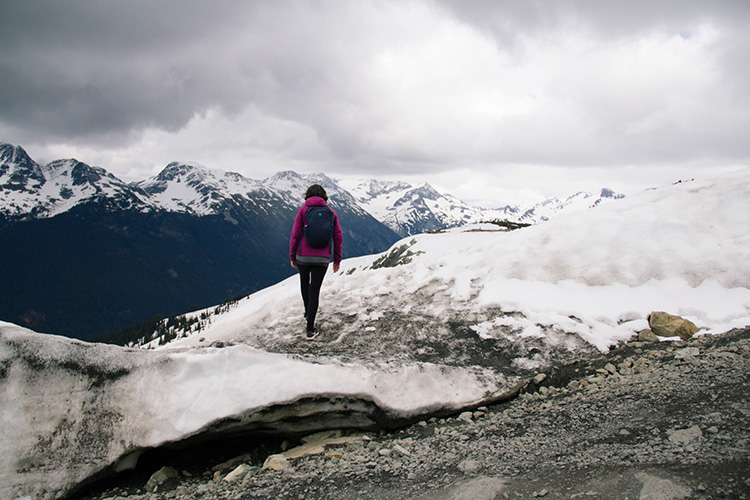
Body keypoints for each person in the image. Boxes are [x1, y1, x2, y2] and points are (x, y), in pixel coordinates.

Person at [289, 184, 343, 339]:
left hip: (303, 257)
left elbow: (295, 236)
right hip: (322, 258)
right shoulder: (331, 212)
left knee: (304, 283)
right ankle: (310, 329)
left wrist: (292, 256)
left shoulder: (303, 210)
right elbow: (337, 238)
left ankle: (307, 312)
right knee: (315, 290)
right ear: (324, 196)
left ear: (308, 195)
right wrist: (337, 260)